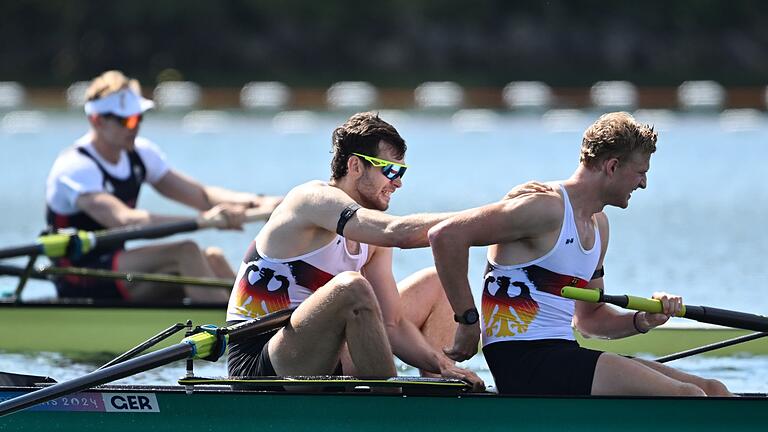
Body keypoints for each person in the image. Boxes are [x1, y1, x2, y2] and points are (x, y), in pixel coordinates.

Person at [429, 112, 733, 396]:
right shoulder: (545, 208)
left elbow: (589, 320)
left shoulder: (600, 226)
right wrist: (468, 321)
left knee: (713, 388)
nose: (643, 183)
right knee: (688, 397)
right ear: (612, 166)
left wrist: (644, 320)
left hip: (562, 353)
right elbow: (446, 236)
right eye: (640, 172)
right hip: (521, 359)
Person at [225, 111, 498, 388]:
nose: (398, 182)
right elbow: (398, 232)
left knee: (434, 284)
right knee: (351, 287)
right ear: (355, 166)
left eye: (401, 172)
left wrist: (443, 365)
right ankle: (391, 406)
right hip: (261, 360)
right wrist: (499, 215)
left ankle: (443, 391)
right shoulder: (311, 200)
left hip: (323, 352)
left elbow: (392, 325)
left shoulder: (371, 239)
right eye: (390, 170)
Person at [45, 70, 281, 303]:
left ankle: (259, 322)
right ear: (96, 120)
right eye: (125, 119)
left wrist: (260, 202)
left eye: (139, 117)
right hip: (78, 275)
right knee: (185, 252)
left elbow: (202, 195)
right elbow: (125, 220)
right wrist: (205, 220)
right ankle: (236, 333)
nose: (134, 126)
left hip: (115, 271)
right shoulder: (75, 166)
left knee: (213, 258)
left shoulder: (139, 154)